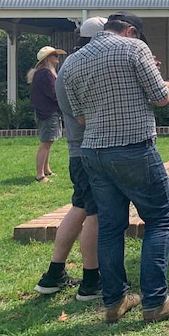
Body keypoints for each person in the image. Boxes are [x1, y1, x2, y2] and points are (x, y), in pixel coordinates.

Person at [64, 11, 169, 324]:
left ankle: (116, 299)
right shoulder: (134, 48)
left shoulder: (73, 62)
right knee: (159, 219)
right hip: (133, 146)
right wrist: (166, 85)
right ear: (131, 31)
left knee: (110, 226)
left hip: (92, 150)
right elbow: (160, 97)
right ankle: (155, 301)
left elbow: (80, 117)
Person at [35, 17, 106, 300]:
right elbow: (87, 115)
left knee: (79, 208)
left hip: (76, 150)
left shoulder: (68, 65)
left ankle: (54, 274)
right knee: (95, 214)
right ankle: (91, 281)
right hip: (89, 149)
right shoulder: (86, 66)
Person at [29, 45, 66, 182]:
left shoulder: (44, 72)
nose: (57, 57)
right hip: (47, 112)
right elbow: (52, 93)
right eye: (54, 55)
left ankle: (46, 169)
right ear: (47, 58)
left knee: (48, 142)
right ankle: (40, 175)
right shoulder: (45, 73)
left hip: (47, 111)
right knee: (45, 142)